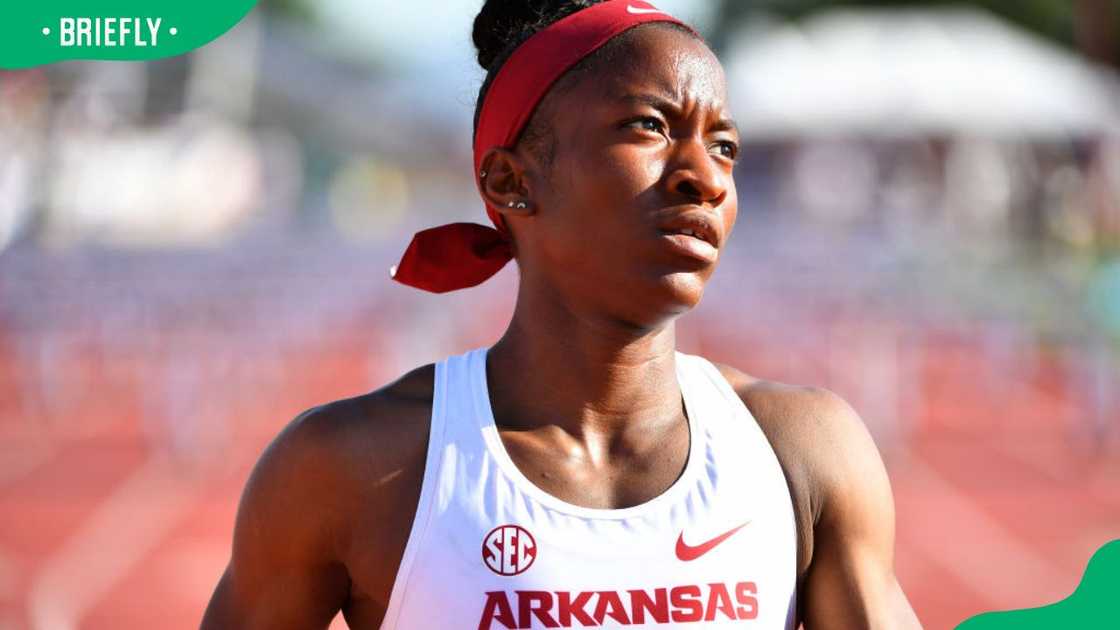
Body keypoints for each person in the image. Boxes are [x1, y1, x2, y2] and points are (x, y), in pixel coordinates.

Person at [201, 1, 923, 628]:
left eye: (725, 146)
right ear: (511, 181)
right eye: (649, 126)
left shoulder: (803, 452)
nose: (703, 177)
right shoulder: (356, 467)